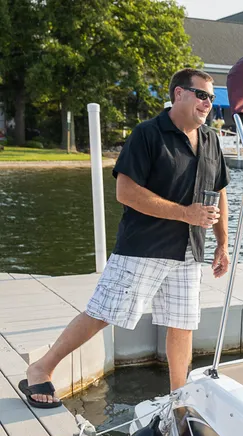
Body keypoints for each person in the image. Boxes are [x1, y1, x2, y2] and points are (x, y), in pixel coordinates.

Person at [18, 68, 231, 408]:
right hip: (143, 248)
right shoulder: (147, 134)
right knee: (102, 312)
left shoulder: (210, 140)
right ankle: (41, 368)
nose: (208, 103)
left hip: (190, 251)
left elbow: (218, 191)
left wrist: (222, 243)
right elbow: (126, 192)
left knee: (182, 325)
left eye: (212, 97)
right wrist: (185, 213)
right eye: (202, 94)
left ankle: (180, 399)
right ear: (179, 94)